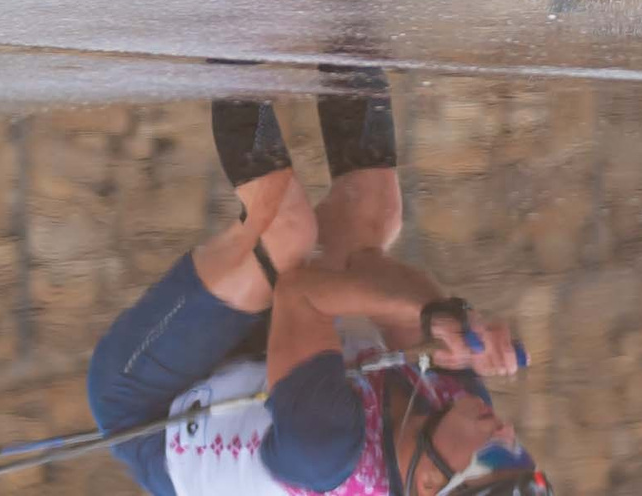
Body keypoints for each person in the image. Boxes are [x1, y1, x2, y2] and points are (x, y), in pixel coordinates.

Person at [84, 76, 542, 493]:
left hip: (150, 405)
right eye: (521, 453)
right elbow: (370, 269)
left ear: (428, 481)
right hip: (272, 360)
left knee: (285, 228)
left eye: (498, 457)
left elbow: (299, 293)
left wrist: (426, 315)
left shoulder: (326, 450)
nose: (507, 434)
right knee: (374, 208)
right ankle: (348, 15)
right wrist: (443, 318)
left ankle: (231, 28)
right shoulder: (463, 412)